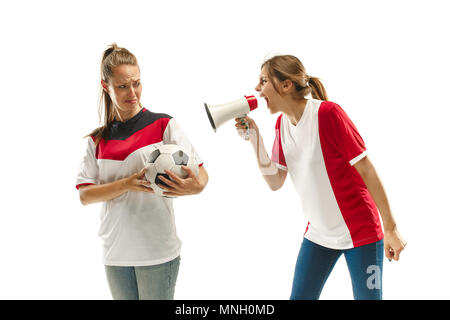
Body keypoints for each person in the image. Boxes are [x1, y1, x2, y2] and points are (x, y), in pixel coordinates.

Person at [235, 55, 406, 300]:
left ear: (286, 85)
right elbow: (274, 181)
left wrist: (391, 228)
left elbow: (366, 169)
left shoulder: (329, 114)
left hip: (361, 233)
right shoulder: (281, 124)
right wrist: (254, 137)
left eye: (263, 80)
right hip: (318, 234)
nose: (257, 88)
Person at [76, 43, 208, 300]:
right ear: (106, 86)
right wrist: (126, 184)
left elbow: (202, 177)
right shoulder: (97, 140)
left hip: (156, 250)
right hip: (116, 252)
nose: (132, 93)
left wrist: (191, 187)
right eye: (123, 86)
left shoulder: (163, 125)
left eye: (136, 83)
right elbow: (84, 195)